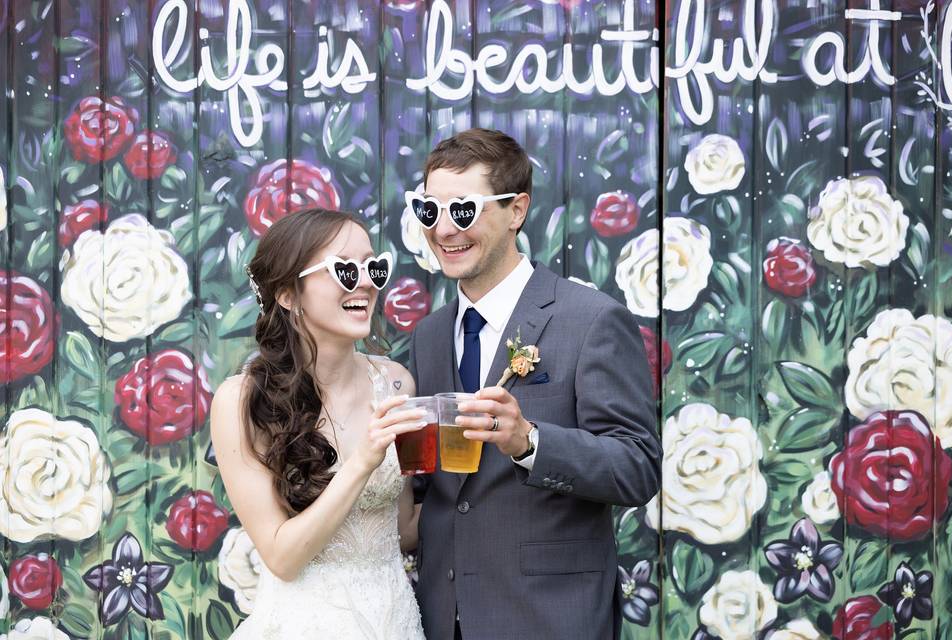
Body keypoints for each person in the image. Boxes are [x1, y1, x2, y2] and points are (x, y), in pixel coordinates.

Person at [406, 129, 662, 640]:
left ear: (516, 211)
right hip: (442, 618)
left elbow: (637, 467)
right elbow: (432, 488)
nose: (444, 231)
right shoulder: (428, 336)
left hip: (549, 618)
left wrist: (530, 442)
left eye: (463, 211)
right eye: (430, 212)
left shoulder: (591, 319)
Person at [210, 208, 428, 639]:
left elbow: (400, 528)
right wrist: (362, 462)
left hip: (395, 623)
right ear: (288, 294)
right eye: (345, 269)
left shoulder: (397, 383)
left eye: (374, 266)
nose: (366, 281)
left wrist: (492, 483)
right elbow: (283, 557)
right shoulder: (240, 401)